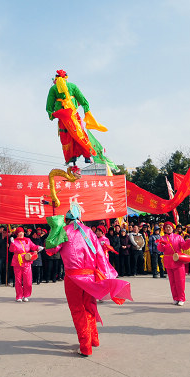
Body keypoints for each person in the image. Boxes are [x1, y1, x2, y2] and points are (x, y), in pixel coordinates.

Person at [45, 201, 132, 356]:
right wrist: (107, 275)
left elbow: (50, 249)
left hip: (73, 277)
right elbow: (100, 255)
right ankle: (94, 339)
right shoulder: (90, 232)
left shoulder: (64, 231)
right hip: (90, 277)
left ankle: (85, 346)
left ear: (67, 218)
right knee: (89, 307)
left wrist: (55, 227)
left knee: (78, 310)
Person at [45, 69, 106, 165]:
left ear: (56, 78)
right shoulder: (72, 86)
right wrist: (87, 110)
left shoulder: (53, 89)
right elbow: (83, 100)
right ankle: (87, 155)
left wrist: (51, 114)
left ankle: (71, 157)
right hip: (74, 115)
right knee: (80, 134)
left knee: (66, 137)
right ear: (66, 78)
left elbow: (49, 105)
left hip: (63, 117)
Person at [156, 220, 190, 305]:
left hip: (177, 260)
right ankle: (175, 298)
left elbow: (184, 246)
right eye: (166, 228)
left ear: (172, 228)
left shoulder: (178, 237)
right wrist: (161, 245)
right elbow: (160, 249)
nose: (168, 229)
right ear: (164, 229)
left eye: (169, 227)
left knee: (180, 281)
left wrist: (189, 241)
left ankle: (181, 298)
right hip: (168, 261)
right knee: (172, 282)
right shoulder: (162, 238)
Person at [9, 227, 38, 302]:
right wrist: (12, 243)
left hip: (27, 261)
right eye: (19, 232)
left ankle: (26, 295)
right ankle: (19, 296)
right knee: (18, 280)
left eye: (22, 232)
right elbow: (11, 250)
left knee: (27, 280)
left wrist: (38, 248)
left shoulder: (27, 240)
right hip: (17, 261)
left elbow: (33, 246)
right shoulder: (14, 241)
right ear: (17, 234)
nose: (21, 234)